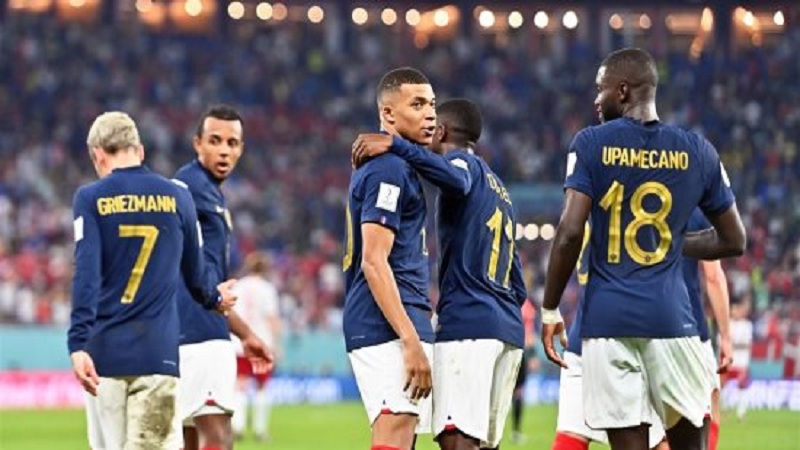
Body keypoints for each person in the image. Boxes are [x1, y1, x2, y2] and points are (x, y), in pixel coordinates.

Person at [540, 47, 745, 450]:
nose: (595, 100)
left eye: (600, 89)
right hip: (672, 320)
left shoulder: (589, 144)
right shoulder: (698, 150)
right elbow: (734, 240)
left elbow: (569, 233)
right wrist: (670, 242)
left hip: (606, 323)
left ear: (622, 91)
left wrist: (549, 309)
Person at [352, 98, 527, 450]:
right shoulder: (500, 190)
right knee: (481, 444)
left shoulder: (462, 164)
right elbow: (518, 283)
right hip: (507, 329)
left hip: (468, 325)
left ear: (443, 132)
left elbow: (456, 180)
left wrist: (396, 144)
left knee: (457, 439)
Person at [68, 112, 237, 450]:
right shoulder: (178, 196)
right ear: (140, 150)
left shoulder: (90, 198)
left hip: (104, 355)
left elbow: (86, 275)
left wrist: (78, 344)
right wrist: (216, 299)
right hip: (158, 356)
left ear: (97, 154)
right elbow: (197, 277)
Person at [342, 67, 437, 450]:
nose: (430, 114)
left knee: (403, 436)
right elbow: (374, 261)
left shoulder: (399, 165)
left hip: (398, 320)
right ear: (388, 114)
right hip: (386, 325)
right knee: (394, 433)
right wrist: (410, 339)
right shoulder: (389, 170)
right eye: (418, 104)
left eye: (432, 105)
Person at [174, 105, 274, 450]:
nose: (224, 151)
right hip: (201, 333)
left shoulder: (204, 190)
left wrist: (245, 335)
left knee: (189, 438)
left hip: (183, 331)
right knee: (218, 438)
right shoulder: (191, 187)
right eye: (214, 141)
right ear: (197, 143)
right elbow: (204, 284)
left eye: (232, 143)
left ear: (241, 149)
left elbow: (204, 281)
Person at [682, 208, 733, 450]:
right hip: (688, 324)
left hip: (639, 323)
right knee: (707, 404)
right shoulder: (695, 209)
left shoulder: (637, 200)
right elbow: (713, 276)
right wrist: (726, 336)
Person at [231, 252, 282, 442]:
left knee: (240, 384)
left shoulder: (238, 286)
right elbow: (272, 318)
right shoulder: (267, 289)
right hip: (262, 342)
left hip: (240, 342)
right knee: (262, 386)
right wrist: (277, 344)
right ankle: (260, 430)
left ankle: (238, 426)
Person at [511, 299, 536, 445]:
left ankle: (515, 431)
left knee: (516, 392)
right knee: (518, 392)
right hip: (520, 349)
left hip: (514, 347)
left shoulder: (514, 301)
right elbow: (530, 333)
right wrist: (532, 355)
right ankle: (516, 431)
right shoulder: (526, 305)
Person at [726, 301, 753, 421]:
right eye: (734, 309)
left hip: (742, 361)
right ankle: (724, 408)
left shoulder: (747, 325)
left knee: (742, 386)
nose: (736, 312)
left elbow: (749, 344)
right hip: (729, 360)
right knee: (722, 385)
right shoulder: (727, 324)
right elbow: (722, 342)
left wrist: (733, 344)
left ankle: (741, 413)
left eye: (738, 309)